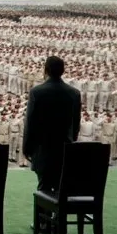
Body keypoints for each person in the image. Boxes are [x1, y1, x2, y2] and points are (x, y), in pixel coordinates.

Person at [22, 56, 82, 203]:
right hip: (64, 147)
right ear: (62, 71)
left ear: (46, 70)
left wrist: (27, 148)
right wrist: (71, 141)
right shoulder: (74, 93)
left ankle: (43, 222)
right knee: (61, 185)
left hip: (43, 148)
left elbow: (31, 122)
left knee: (44, 185)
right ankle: (57, 219)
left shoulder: (37, 92)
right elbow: (75, 124)